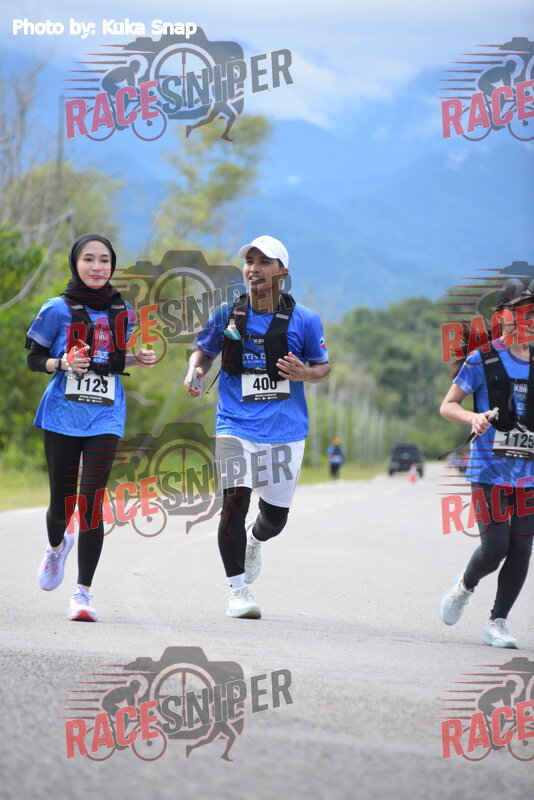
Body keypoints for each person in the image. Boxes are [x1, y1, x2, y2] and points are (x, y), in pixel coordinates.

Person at [184, 235, 330, 619]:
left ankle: (254, 539)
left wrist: (305, 373)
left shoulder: (305, 319)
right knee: (233, 504)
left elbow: (323, 366)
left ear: (283, 272)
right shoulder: (226, 315)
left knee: (274, 520)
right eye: (250, 261)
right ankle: (238, 591)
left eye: (264, 262)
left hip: (285, 431)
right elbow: (203, 351)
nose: (254, 268)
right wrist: (195, 370)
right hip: (234, 424)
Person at [26, 233, 156, 622]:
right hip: (62, 415)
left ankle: (83, 593)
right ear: (75, 263)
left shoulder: (124, 312)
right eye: (89, 259)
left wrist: (137, 357)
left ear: (112, 266)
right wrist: (62, 363)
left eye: (104, 260)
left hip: (105, 415)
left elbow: (112, 358)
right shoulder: (56, 309)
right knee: (61, 504)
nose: (97, 267)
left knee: (91, 501)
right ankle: (55, 548)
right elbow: (34, 359)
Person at [439, 279, 534, 648]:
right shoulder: (483, 359)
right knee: (495, 549)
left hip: (528, 476)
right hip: (489, 472)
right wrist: (474, 418)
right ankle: (464, 586)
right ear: (502, 316)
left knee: (521, 549)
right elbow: (448, 406)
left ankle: (497, 622)